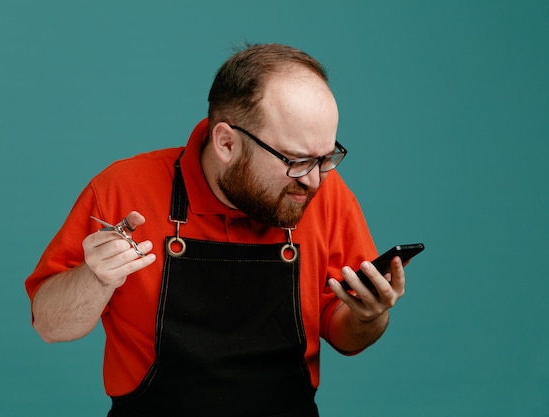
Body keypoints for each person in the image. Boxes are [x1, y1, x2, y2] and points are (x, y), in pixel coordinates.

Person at [25, 43, 406, 417]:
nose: (312, 180)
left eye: (326, 158)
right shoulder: (122, 190)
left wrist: (368, 316)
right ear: (226, 142)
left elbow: (343, 333)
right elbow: (50, 326)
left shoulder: (324, 194)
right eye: (296, 160)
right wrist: (94, 278)